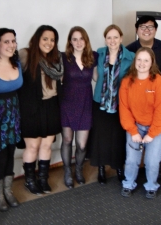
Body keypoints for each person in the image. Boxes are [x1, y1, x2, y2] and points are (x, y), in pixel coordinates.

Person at [18, 25, 64, 195]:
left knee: (46, 145)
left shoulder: (56, 60)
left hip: (51, 106)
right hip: (31, 108)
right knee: (32, 146)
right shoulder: (25, 55)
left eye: (52, 40)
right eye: (45, 38)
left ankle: (43, 179)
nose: (49, 43)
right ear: (37, 39)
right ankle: (29, 180)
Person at [87, 24, 135, 184]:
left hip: (120, 104)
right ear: (105, 39)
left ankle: (118, 167)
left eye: (116, 37)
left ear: (121, 38)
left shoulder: (131, 57)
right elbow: (93, 75)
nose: (112, 40)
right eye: (109, 37)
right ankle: (101, 168)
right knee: (100, 137)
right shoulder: (98, 55)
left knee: (118, 137)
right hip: (99, 103)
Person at [119, 47, 161, 199]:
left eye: (146, 60)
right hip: (135, 126)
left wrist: (152, 134)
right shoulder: (127, 81)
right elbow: (124, 109)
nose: (142, 63)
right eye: (139, 59)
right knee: (131, 160)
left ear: (152, 62)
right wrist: (133, 131)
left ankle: (151, 185)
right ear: (135, 62)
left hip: (156, 127)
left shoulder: (158, 81)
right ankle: (128, 183)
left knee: (152, 161)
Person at [0, 28, 23, 211]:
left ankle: (8, 191)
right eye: (6, 41)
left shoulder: (17, 62)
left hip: (14, 114)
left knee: (10, 154)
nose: (11, 45)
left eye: (13, 41)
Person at [60, 26, 98, 188]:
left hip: (85, 103)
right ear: (70, 41)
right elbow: (57, 79)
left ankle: (79, 169)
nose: (78, 42)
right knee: (67, 140)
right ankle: (68, 171)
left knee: (82, 144)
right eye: (74, 39)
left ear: (86, 40)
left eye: (81, 38)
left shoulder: (93, 57)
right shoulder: (63, 58)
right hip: (67, 102)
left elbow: (97, 78)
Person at [126, 15, 161, 79]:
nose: (146, 30)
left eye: (150, 27)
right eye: (142, 27)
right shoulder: (128, 50)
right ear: (136, 30)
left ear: (156, 30)